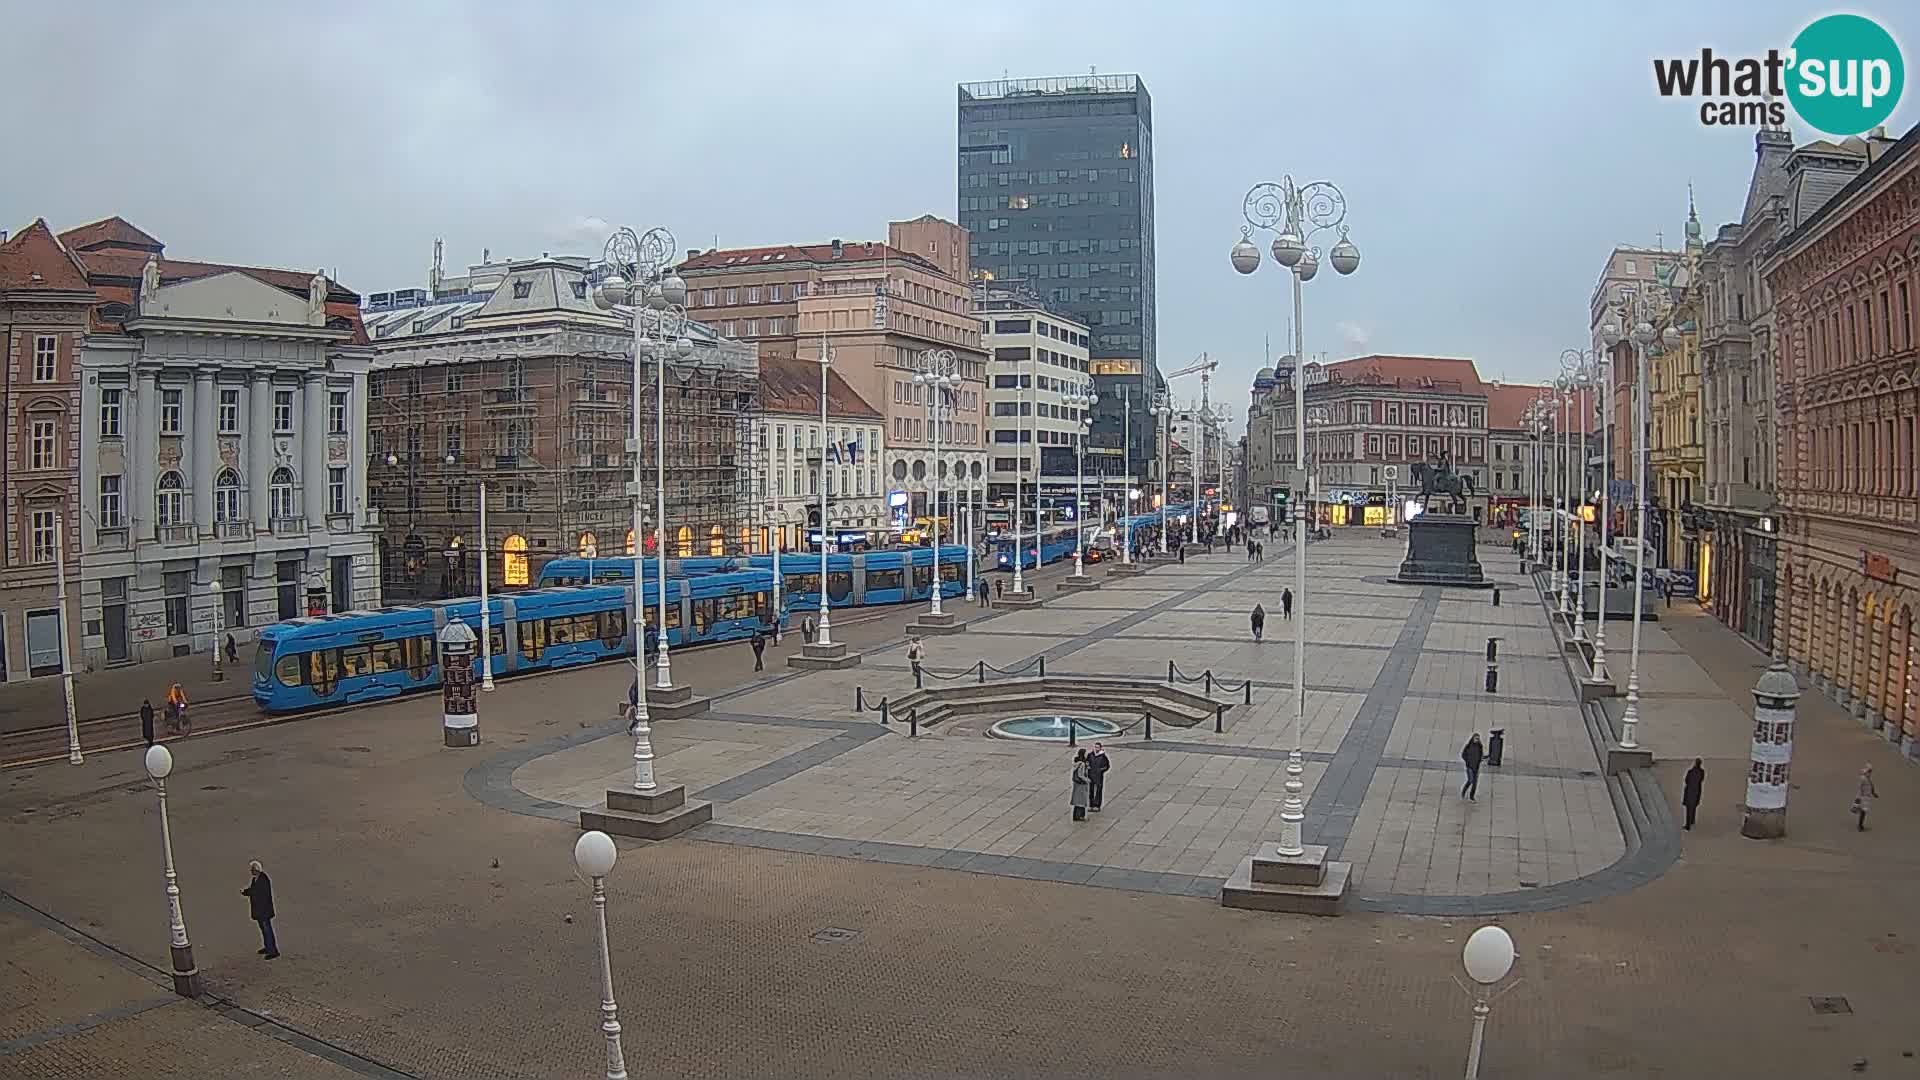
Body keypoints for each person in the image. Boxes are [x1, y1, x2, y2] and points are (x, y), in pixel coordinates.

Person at [242, 861, 278, 959]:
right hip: (261, 910)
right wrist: (246, 892)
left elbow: (259, 893)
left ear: (256, 870)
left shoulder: (263, 880)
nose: (251, 872)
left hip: (264, 910)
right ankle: (268, 947)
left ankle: (272, 950)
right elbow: (253, 890)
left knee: (267, 930)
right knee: (264, 929)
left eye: (252, 870)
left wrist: (248, 892)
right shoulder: (256, 879)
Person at [1682, 758, 1705, 830]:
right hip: (1697, 791)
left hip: (1689, 791)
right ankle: (1692, 821)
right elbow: (1701, 780)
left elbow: (1686, 780)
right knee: (1694, 806)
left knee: (1689, 808)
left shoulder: (1690, 771)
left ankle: (1688, 825)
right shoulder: (1702, 772)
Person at [1086, 742, 1110, 811]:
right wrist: (1088, 767)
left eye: (1097, 747)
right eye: (1095, 747)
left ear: (1100, 748)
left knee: (1098, 791)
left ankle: (1097, 805)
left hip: (1099, 776)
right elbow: (1087, 762)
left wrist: (1101, 770)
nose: (1096, 748)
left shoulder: (1103, 756)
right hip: (1091, 775)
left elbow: (1107, 766)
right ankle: (1091, 804)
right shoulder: (1090, 755)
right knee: (1091, 791)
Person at [1853, 764, 1877, 831]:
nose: (1870, 772)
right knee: (1863, 812)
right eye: (1869, 771)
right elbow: (1859, 788)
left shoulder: (1868, 778)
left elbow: (1871, 786)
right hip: (1863, 797)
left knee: (1863, 812)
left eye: (1871, 771)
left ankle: (1860, 825)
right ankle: (1860, 826)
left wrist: (1873, 793)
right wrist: (1858, 798)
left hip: (1867, 798)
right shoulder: (1863, 778)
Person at [1461, 733, 1485, 800]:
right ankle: (1464, 791)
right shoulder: (1468, 746)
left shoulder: (1480, 746)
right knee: (1470, 780)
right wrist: (1467, 762)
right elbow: (1463, 755)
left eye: (1478, 739)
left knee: (1475, 783)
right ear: (1473, 738)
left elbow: (1481, 755)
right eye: (1476, 738)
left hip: (1476, 767)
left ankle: (1472, 797)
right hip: (1469, 767)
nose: (1477, 740)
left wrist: (1481, 759)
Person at [1070, 750, 1091, 822]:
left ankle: (1076, 816)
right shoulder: (1082, 764)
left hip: (1077, 784)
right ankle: (1080, 816)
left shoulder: (1077, 762)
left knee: (1077, 800)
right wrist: (1087, 780)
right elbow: (1080, 775)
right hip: (1081, 784)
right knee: (1081, 801)